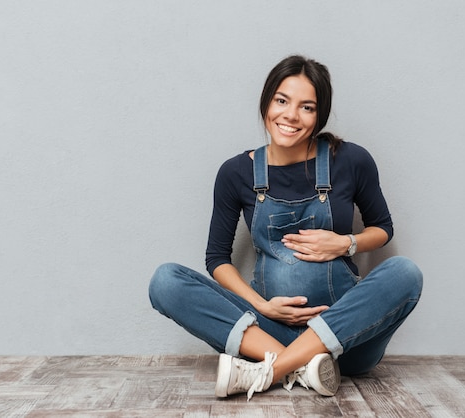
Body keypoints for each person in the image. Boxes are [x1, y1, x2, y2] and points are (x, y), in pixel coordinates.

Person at [149, 55, 423, 401]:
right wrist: (262, 308)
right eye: (281, 100)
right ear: (266, 101)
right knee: (165, 280)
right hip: (267, 330)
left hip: (348, 335)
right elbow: (217, 258)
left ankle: (272, 370)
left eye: (306, 107)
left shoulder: (351, 161)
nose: (290, 116)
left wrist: (345, 243)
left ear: (319, 115)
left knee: (405, 273)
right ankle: (303, 366)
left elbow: (382, 227)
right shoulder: (235, 173)